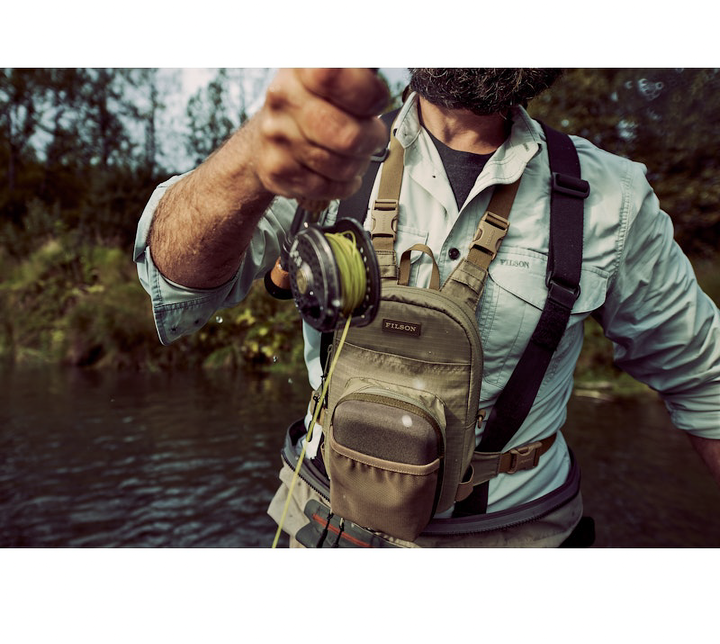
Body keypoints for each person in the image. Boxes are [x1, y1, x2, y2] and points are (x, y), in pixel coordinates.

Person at [134, 68, 720, 547]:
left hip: (519, 535)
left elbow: (706, 384)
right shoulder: (325, 150)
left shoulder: (615, 196)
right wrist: (250, 159)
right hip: (324, 523)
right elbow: (175, 286)